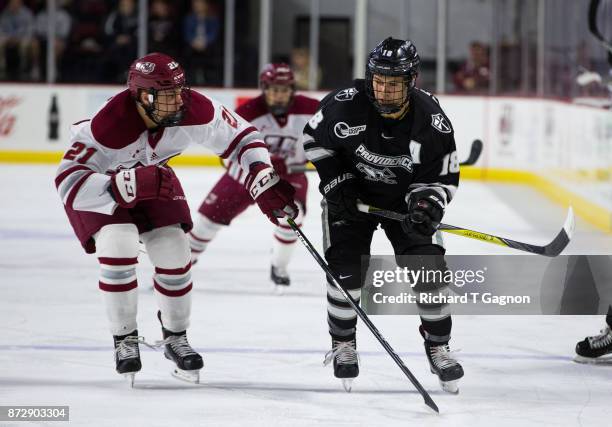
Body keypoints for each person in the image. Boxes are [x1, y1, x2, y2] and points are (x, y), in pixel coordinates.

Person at [54, 53, 297, 385]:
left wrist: (261, 176)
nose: (178, 100)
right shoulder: (108, 125)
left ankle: (176, 337)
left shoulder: (197, 109)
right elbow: (68, 182)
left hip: (153, 178)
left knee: (176, 253)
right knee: (118, 247)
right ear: (141, 96)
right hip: (102, 188)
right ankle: (124, 339)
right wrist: (122, 185)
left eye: (180, 91)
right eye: (167, 94)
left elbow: (243, 137)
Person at [303, 37, 464, 392]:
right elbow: (314, 141)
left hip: (404, 200)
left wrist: (425, 205)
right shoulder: (343, 105)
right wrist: (337, 181)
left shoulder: (431, 120)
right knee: (345, 270)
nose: (384, 90)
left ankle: (439, 346)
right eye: (379, 81)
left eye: (394, 83)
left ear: (412, 81)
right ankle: (343, 342)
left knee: (430, 270)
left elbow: (442, 176)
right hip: (351, 198)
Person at [189, 63, 319, 292]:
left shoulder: (313, 109)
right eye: (273, 89)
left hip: (289, 175)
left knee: (291, 216)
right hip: (244, 176)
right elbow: (229, 147)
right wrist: (264, 165)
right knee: (205, 223)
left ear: (292, 90)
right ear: (264, 88)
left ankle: (279, 267)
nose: (278, 95)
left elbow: (331, 134)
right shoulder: (248, 112)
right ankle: (179, 269)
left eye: (284, 89)